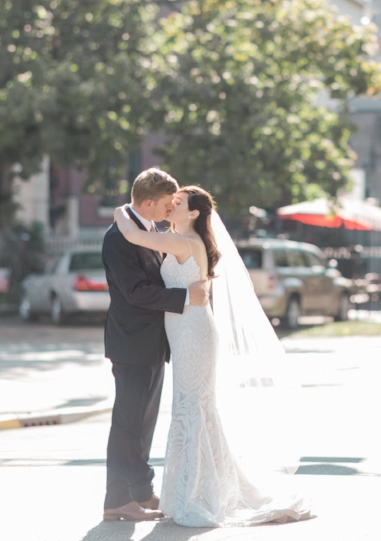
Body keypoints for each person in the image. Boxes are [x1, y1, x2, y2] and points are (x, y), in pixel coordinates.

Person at [113, 184, 311, 527]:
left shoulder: (184, 241)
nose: (172, 206)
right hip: (190, 328)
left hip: (193, 332)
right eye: (171, 201)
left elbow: (131, 234)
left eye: (178, 203)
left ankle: (197, 494)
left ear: (192, 213)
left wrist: (120, 209)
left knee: (192, 407)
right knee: (197, 408)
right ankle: (197, 489)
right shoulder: (184, 239)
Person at [100, 168, 211, 522]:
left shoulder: (149, 231)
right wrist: (184, 296)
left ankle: (141, 491)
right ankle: (117, 499)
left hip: (155, 342)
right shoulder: (119, 238)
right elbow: (134, 292)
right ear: (148, 202)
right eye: (166, 204)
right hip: (132, 342)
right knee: (128, 423)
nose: (169, 210)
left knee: (143, 422)